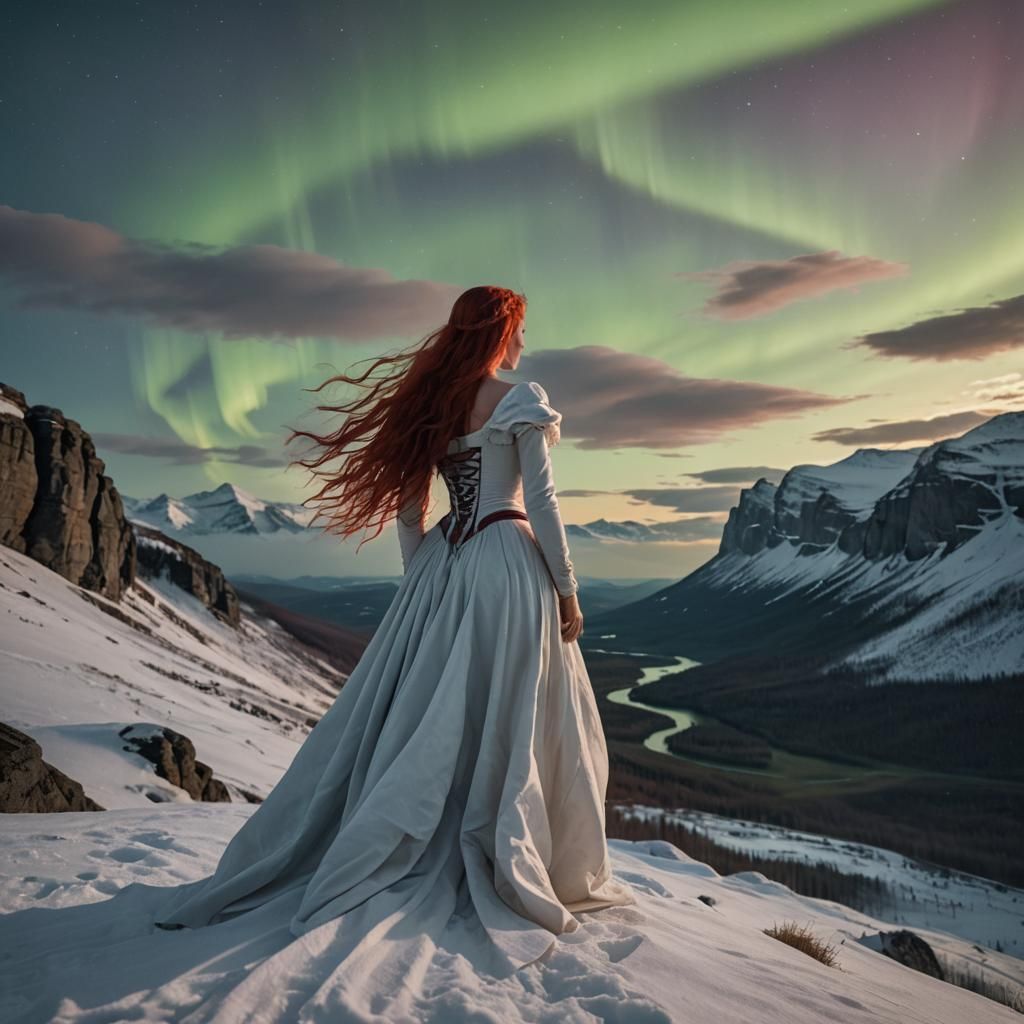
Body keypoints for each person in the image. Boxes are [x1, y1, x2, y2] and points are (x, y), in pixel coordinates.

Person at [152, 285, 635, 980]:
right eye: (520, 330)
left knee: (428, 710)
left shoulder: (431, 405)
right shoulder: (519, 398)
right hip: (506, 562)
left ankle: (406, 831)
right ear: (501, 332)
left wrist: (426, 579)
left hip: (446, 560)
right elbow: (543, 500)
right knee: (516, 708)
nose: (524, 344)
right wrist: (567, 587)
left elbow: (410, 511)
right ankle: (512, 845)